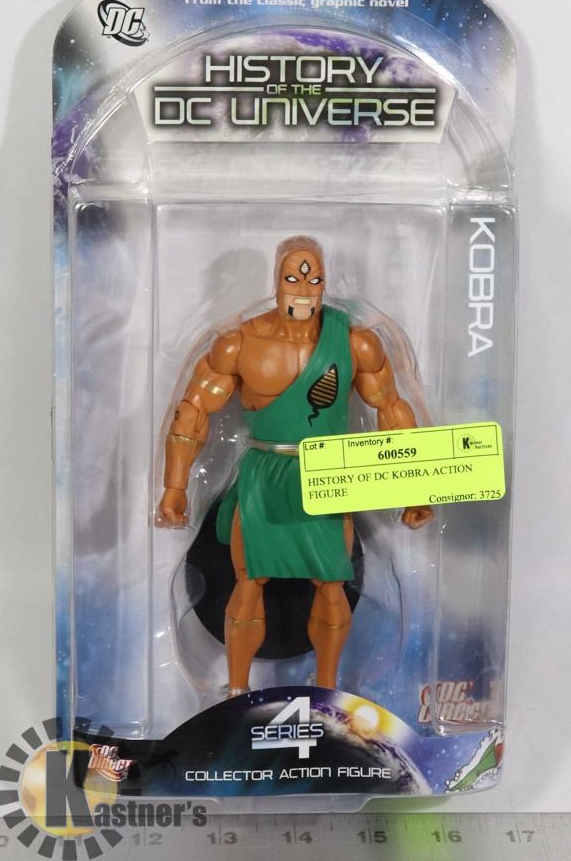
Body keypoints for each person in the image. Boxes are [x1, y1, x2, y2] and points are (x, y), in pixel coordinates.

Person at [157, 235, 433, 694]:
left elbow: (391, 410)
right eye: (293, 277)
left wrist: (415, 487)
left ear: (324, 281)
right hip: (265, 474)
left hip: (327, 474)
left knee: (332, 581)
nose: (304, 289)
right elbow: (192, 415)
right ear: (277, 280)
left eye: (313, 278)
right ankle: (236, 691)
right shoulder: (239, 342)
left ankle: (327, 688)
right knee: (249, 580)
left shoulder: (355, 343)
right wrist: (175, 487)